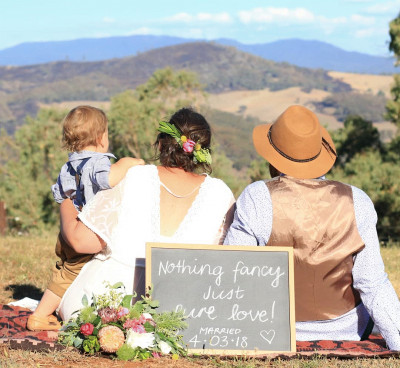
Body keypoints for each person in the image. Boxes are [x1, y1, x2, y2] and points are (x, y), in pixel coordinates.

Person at [224, 105, 400, 350]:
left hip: (273, 326)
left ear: (273, 157)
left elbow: (234, 272)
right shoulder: (357, 199)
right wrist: (397, 342)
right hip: (348, 328)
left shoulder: (256, 197)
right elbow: (372, 282)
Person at [58, 107, 235, 321]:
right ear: (202, 151)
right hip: (187, 315)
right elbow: (225, 262)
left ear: (161, 144)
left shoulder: (133, 176)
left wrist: (66, 202)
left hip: (107, 306)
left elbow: (81, 242)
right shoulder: (221, 193)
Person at [27, 105, 144, 331]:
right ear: (101, 138)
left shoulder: (69, 165)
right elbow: (107, 180)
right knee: (68, 274)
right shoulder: (98, 162)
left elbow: (60, 193)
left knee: (63, 269)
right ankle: (40, 316)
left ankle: (52, 305)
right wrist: (126, 163)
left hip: (67, 229)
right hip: (84, 228)